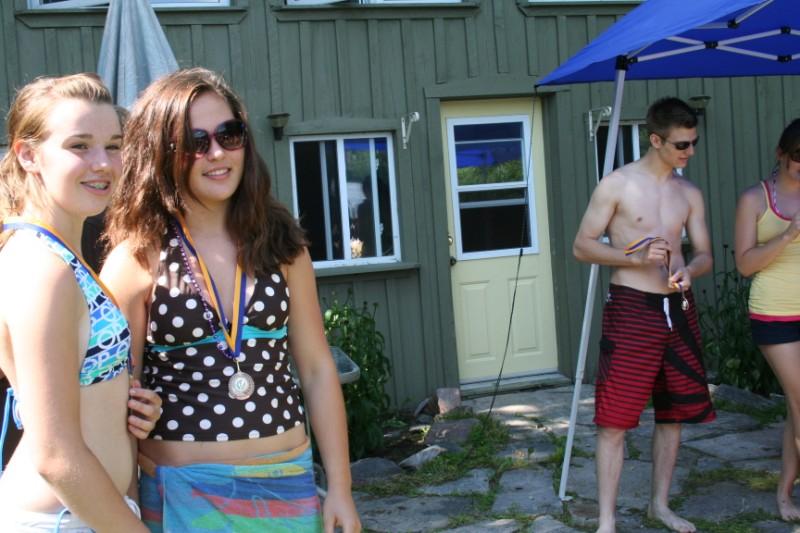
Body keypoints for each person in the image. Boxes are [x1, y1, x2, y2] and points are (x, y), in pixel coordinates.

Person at [101, 67, 361, 533]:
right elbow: (118, 401)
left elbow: (317, 370)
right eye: (195, 142)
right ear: (160, 153)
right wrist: (127, 507)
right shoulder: (137, 257)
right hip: (183, 498)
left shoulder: (283, 245)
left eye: (229, 134)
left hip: (287, 489)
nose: (217, 153)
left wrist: (340, 487)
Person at [0, 73, 161, 532]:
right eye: (79, 146)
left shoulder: (57, 255)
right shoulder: (41, 268)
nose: (103, 163)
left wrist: (127, 403)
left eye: (113, 146)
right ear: (28, 155)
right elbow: (54, 453)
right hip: (62, 520)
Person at [573, 97, 716, 533]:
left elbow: (705, 253)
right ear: (655, 140)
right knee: (614, 420)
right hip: (632, 308)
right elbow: (582, 246)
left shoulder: (688, 192)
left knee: (673, 414)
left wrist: (690, 271)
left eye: (693, 143)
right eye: (681, 145)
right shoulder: (616, 185)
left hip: (678, 309)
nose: (690, 152)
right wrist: (633, 258)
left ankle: (660, 506)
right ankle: (607, 522)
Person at [734, 118, 800, 522]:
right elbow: (744, 264)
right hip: (775, 310)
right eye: (799, 158)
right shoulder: (754, 199)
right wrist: (788, 234)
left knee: (796, 405)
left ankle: (785, 492)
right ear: (781, 154)